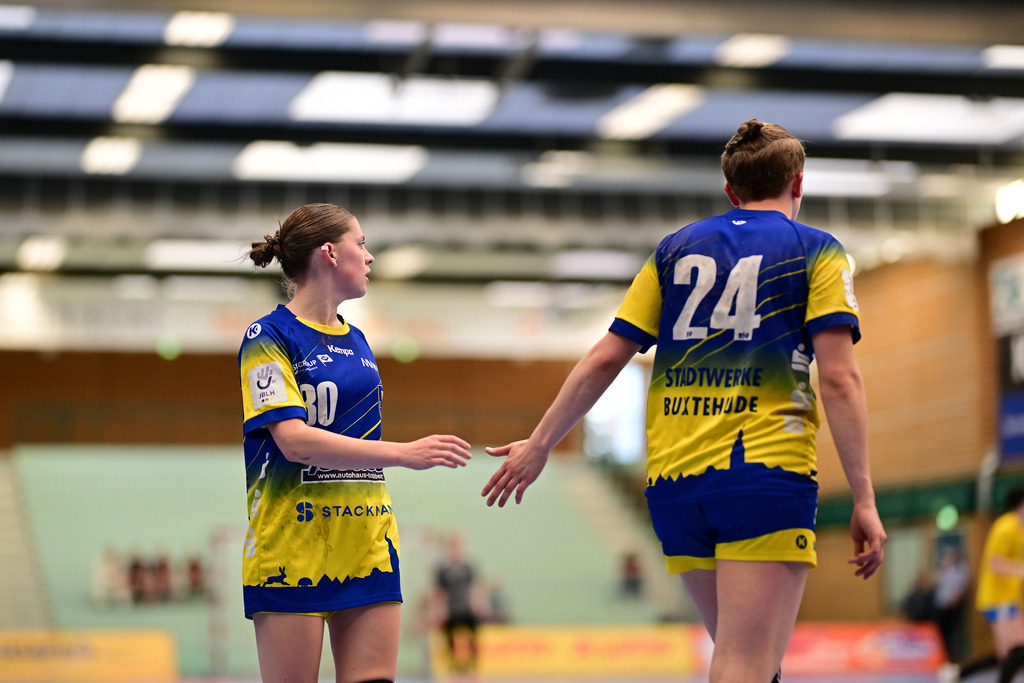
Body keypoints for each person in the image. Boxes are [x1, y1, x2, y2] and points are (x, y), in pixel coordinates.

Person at [482, 119, 886, 683]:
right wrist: (864, 497)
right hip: (761, 473)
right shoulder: (817, 251)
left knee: (748, 662)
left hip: (675, 485)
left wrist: (541, 443)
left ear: (730, 191)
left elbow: (605, 357)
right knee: (746, 664)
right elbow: (840, 381)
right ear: (798, 183)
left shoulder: (675, 250)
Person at [239, 202, 472, 683]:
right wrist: (405, 454)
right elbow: (294, 441)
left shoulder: (359, 340)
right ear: (329, 252)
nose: (369, 257)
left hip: (368, 546)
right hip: (292, 552)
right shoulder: (268, 336)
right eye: (360, 244)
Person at [976, 488, 1024, 683]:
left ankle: (960, 674)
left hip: (1011, 597)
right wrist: (1020, 569)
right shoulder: (1006, 526)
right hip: (996, 598)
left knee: (1012, 651)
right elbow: (994, 562)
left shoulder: (1020, 530)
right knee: (1014, 648)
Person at [933, 544, 969, 663]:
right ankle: (943, 657)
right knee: (941, 633)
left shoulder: (961, 569)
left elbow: (961, 589)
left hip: (953, 608)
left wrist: (953, 603)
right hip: (941, 607)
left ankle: (954, 658)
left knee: (953, 634)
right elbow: (939, 585)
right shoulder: (944, 569)